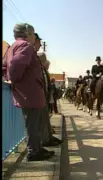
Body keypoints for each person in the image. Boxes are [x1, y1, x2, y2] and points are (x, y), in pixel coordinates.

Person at [3, 23, 54, 161]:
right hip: (30, 93)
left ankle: (37, 148)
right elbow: (15, 66)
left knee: (32, 123)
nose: (34, 38)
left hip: (25, 93)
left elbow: (4, 66)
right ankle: (34, 152)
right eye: (33, 34)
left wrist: (8, 78)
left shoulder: (12, 47)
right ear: (27, 34)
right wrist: (13, 79)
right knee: (33, 124)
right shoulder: (25, 46)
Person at [35, 33, 62, 147]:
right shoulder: (39, 68)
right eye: (45, 61)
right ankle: (44, 141)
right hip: (39, 97)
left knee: (45, 118)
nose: (47, 64)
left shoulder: (44, 71)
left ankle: (48, 138)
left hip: (44, 97)